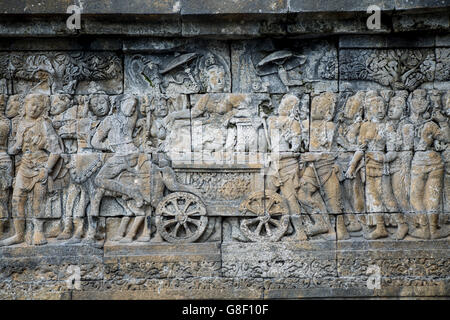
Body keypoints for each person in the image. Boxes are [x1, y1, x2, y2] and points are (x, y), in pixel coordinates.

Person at [0, 94, 63, 246]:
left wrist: (47, 170)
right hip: (24, 167)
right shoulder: (19, 124)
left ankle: (38, 231)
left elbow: (56, 151)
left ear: (43, 110)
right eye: (32, 104)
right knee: (17, 200)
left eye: (38, 107)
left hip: (40, 168)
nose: (34, 109)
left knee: (38, 201)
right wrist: (18, 143)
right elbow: (13, 150)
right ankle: (19, 234)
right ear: (25, 105)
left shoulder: (44, 124)